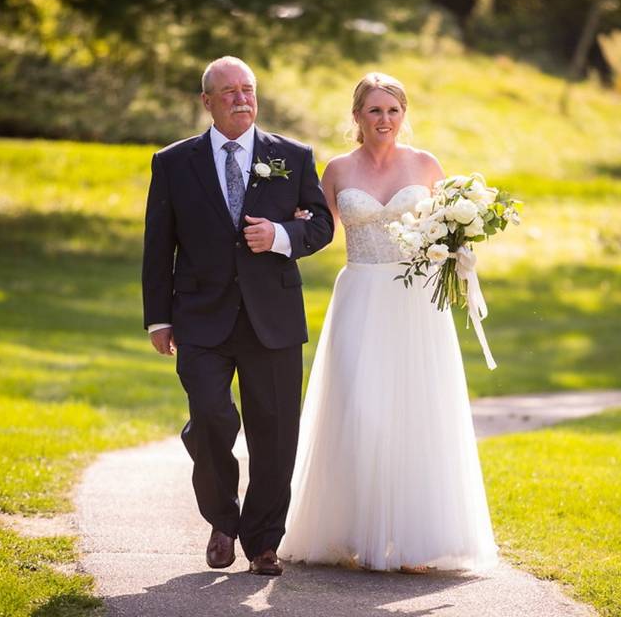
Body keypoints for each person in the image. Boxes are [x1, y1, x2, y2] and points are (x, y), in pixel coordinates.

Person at [280, 73, 498, 572]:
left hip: (415, 302)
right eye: (374, 111)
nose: (384, 120)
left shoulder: (426, 165)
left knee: (415, 409)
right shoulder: (334, 170)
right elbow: (318, 228)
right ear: (356, 116)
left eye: (393, 111)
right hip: (359, 294)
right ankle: (353, 531)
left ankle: (414, 540)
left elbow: (451, 231)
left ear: (404, 115)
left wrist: (460, 248)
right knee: (360, 409)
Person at [141, 56, 334, 576]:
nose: (240, 99)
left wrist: (282, 236)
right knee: (210, 418)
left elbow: (320, 225)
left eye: (247, 89)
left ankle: (264, 541)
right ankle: (222, 518)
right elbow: (158, 245)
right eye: (228, 92)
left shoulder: (292, 156)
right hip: (200, 317)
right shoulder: (174, 162)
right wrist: (158, 318)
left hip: (271, 316)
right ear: (207, 101)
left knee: (274, 432)